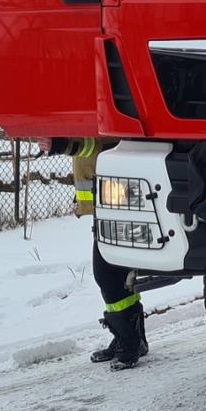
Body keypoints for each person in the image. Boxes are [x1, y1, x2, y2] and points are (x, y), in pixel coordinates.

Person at [62, 137, 149, 370]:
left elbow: (104, 142)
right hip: (108, 201)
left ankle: (130, 342)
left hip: (120, 198)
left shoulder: (96, 112)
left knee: (108, 276)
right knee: (115, 278)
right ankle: (130, 338)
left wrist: (64, 144)